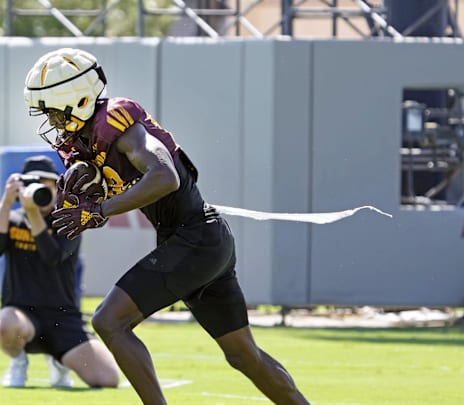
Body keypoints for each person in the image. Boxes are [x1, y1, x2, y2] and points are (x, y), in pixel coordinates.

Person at [23, 48, 310, 404]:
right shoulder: (88, 144)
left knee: (109, 322)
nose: (50, 121)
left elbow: (165, 176)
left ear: (76, 99)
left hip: (195, 240)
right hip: (199, 243)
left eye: (52, 109)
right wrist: (91, 204)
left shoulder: (118, 124)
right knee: (242, 355)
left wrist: (100, 210)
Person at [0, 155, 119, 389]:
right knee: (4, 324)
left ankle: (58, 359)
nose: (39, 190)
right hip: (23, 317)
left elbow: (53, 258)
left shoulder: (69, 221)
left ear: (57, 187)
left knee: (107, 378)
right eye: (32, 184)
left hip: (63, 318)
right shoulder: (13, 220)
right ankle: (18, 360)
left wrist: (34, 214)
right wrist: (6, 202)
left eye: (45, 183)